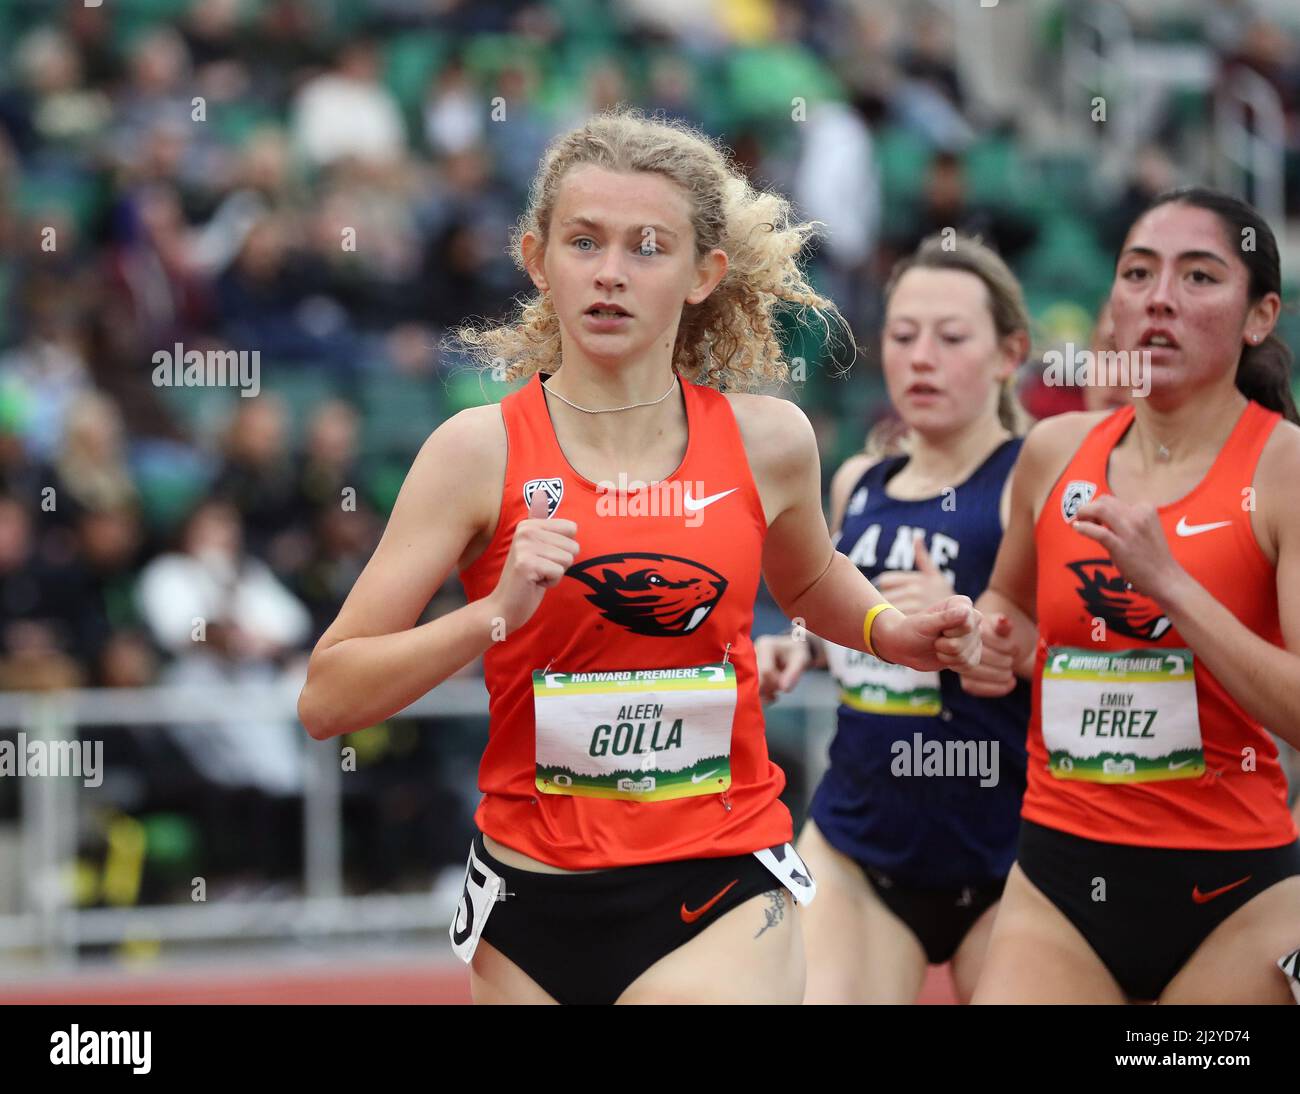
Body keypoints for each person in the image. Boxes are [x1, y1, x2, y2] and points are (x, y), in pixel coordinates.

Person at [297, 108, 983, 1005]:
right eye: (584, 243)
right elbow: (328, 697)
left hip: (717, 884)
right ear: (537, 259)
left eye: (648, 247)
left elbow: (809, 578)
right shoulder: (475, 453)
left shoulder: (770, 441)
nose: (611, 274)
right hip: (528, 904)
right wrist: (491, 613)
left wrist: (891, 632)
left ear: (705, 274)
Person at [968, 187, 1300, 1004]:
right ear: (1112, 308)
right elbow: (1006, 605)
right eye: (1138, 273)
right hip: (1059, 883)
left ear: (1260, 317)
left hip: (1236, 894)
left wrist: (1172, 586)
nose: (1159, 298)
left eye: (1199, 277)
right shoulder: (1050, 451)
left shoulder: (1284, 469)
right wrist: (991, 641)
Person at [757, 234, 1033, 1002]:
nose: (921, 358)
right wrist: (801, 647)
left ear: (1009, 353)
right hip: (859, 848)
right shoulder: (857, 481)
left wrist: (984, 633)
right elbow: (840, 607)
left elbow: (1080, 645)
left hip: (1008, 858)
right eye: (904, 336)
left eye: (951, 338)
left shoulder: (1030, 482)